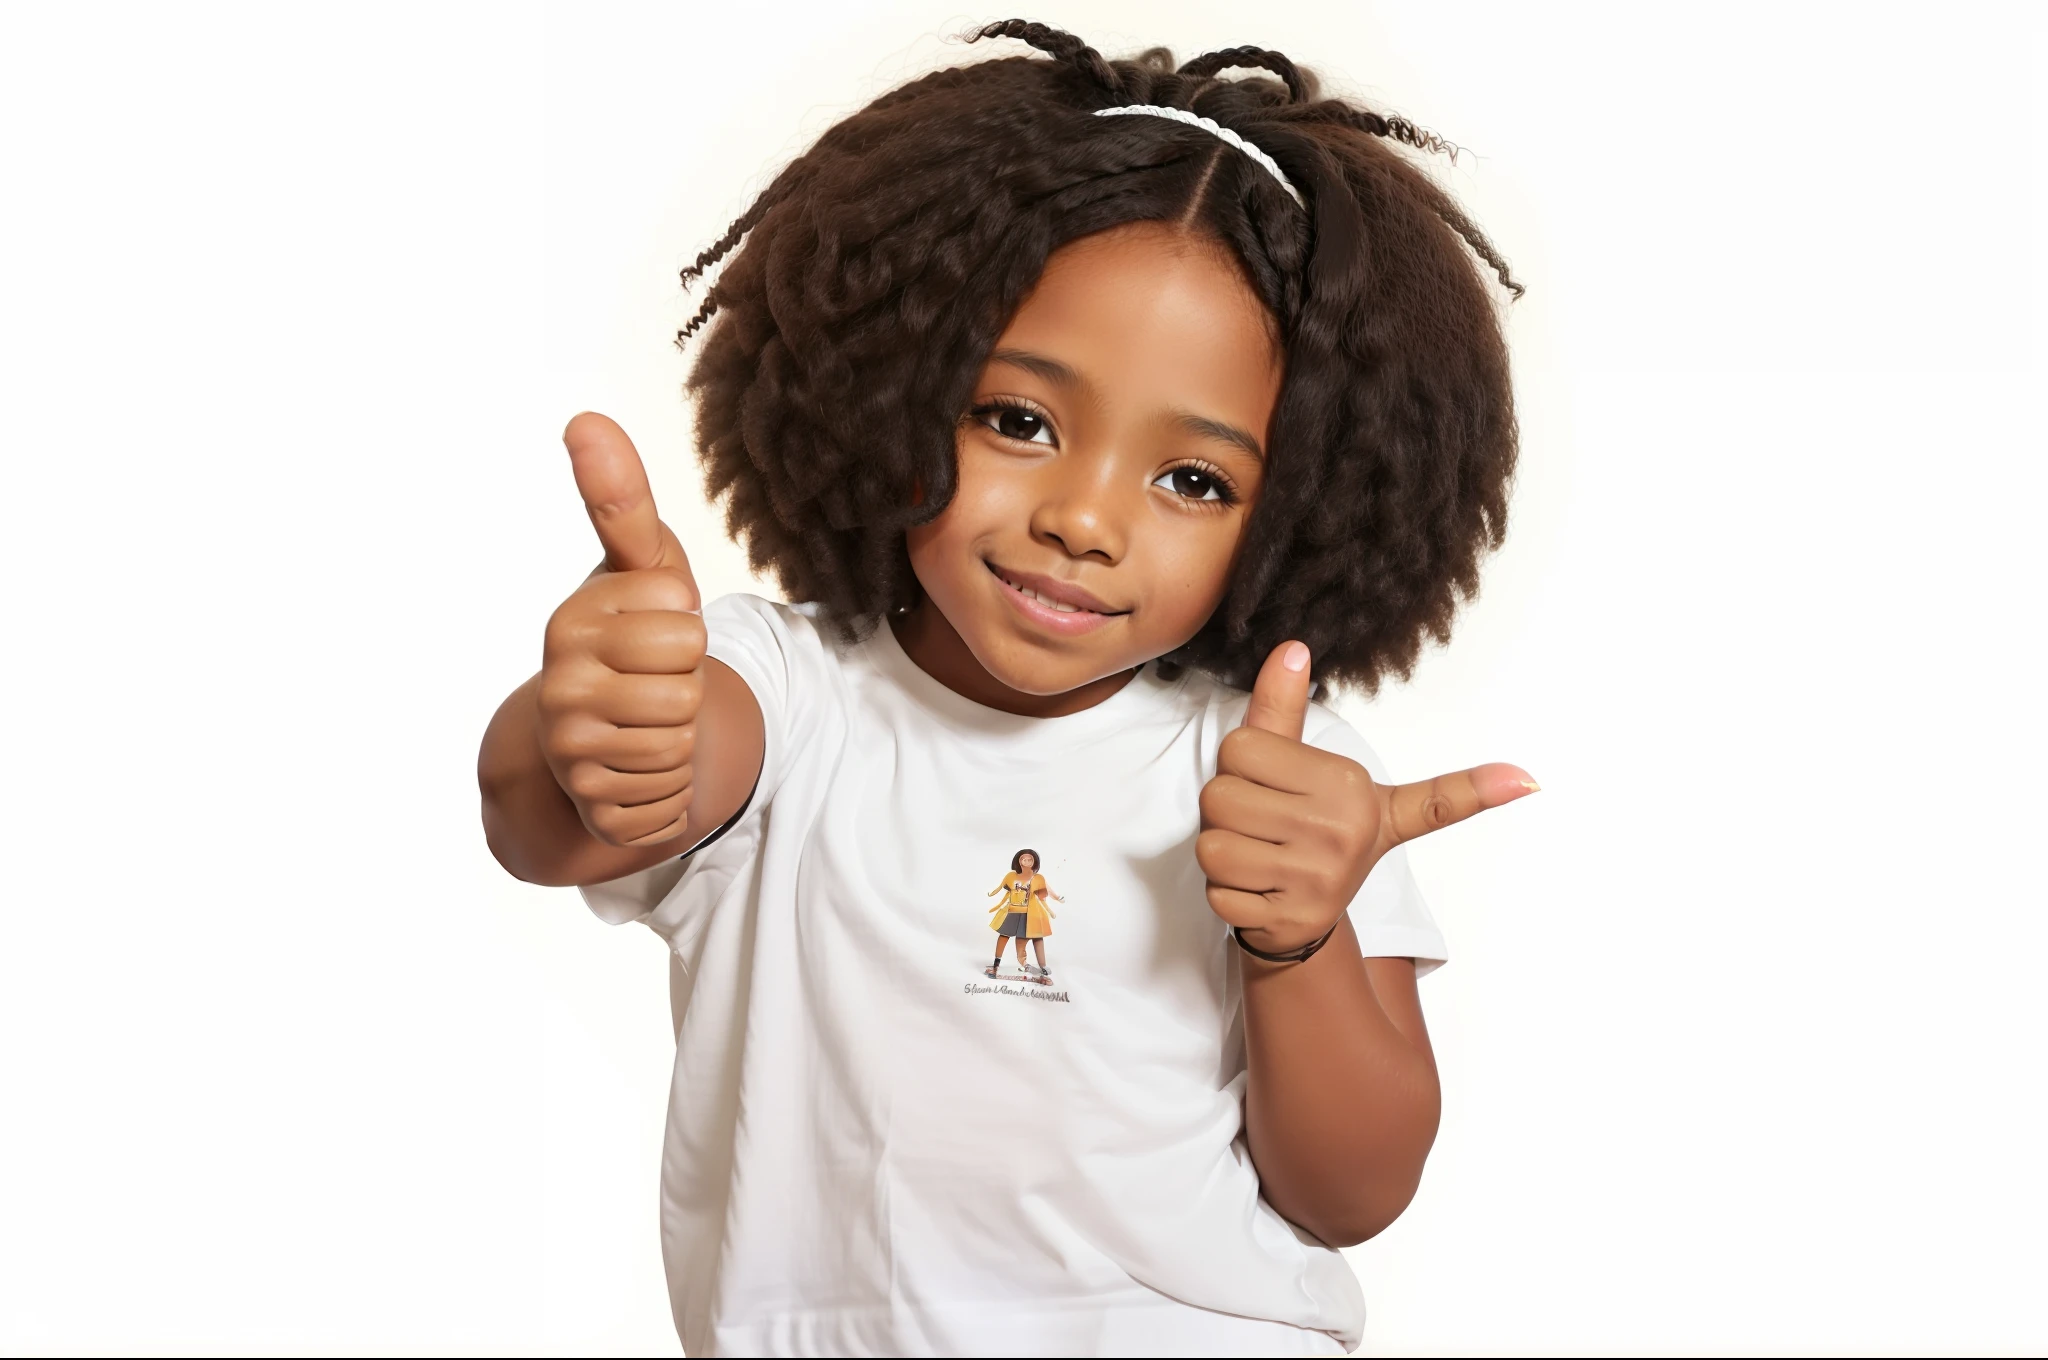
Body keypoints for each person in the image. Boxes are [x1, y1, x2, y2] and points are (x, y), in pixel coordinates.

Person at [479, 20, 1537, 1355]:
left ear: (1295, 521)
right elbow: (571, 815)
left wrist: (1298, 939)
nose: (1086, 521)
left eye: (1193, 481)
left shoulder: (1278, 775)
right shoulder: (782, 690)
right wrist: (600, 730)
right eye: (1019, 421)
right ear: (895, 387)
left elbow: (1353, 1189)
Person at [987, 848, 1061, 982]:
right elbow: (1003, 890)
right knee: (1004, 935)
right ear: (1018, 861)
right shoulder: (1011, 876)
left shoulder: (1038, 878)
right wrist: (994, 898)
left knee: (1037, 937)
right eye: (1023, 859)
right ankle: (996, 963)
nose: (1026, 861)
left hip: (1031, 914)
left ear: (1034, 861)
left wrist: (1052, 907)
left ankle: (1042, 965)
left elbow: (1043, 896)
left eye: (1030, 859)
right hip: (1012, 911)